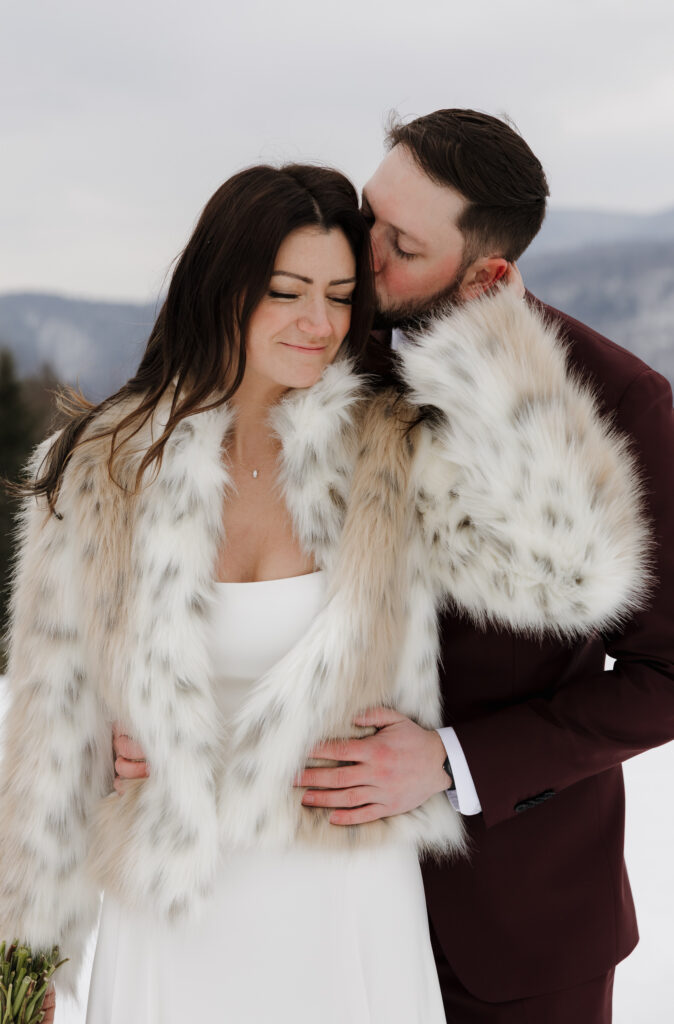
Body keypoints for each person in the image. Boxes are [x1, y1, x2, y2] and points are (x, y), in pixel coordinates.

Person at [2, 154, 650, 1024]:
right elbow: (48, 721)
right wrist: (24, 961)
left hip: (345, 908)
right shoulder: (99, 468)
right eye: (287, 289)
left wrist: (500, 327)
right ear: (221, 285)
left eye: (342, 295)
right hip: (170, 911)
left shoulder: (387, 444)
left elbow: (569, 574)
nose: (319, 322)